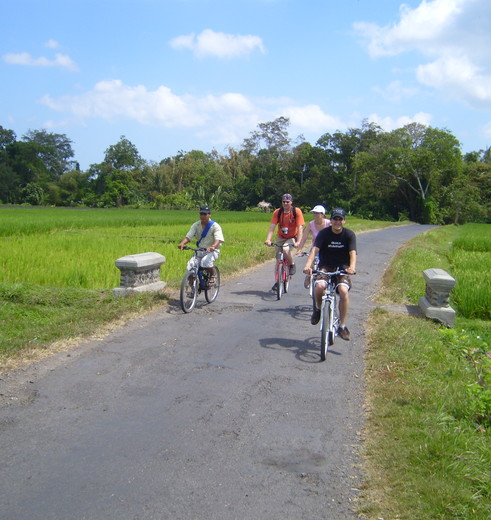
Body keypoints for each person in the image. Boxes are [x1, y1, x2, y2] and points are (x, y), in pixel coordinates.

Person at [303, 207, 356, 341]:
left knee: (343, 291)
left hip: (342, 268)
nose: (337, 222)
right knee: (319, 286)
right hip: (325, 266)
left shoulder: (349, 235)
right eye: (335, 219)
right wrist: (308, 265)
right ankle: (318, 309)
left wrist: (352, 267)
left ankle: (342, 326)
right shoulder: (324, 234)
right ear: (330, 220)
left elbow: (352, 253)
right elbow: (315, 250)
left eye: (340, 219)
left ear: (344, 221)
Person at [264, 193, 305, 290]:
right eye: (284, 202)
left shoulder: (296, 211)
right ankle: (277, 281)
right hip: (280, 236)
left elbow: (300, 227)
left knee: (286, 250)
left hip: (292, 236)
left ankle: (292, 264)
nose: (285, 203)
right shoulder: (278, 212)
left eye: (287, 202)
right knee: (278, 259)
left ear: (291, 202)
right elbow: (272, 227)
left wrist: (298, 242)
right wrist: (268, 239)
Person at [178, 206, 224, 276]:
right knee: (190, 266)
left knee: (205, 262)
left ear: (209, 215)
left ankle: (212, 275)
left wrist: (213, 247)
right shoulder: (196, 225)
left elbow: (218, 239)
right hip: (200, 250)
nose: (202, 216)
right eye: (201, 214)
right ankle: (192, 282)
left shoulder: (215, 226)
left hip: (212, 251)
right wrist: (182, 243)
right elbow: (189, 236)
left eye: (205, 214)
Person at [296, 205, 331, 289]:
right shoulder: (311, 224)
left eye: (317, 213)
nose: (315, 215)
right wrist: (299, 249)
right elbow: (304, 237)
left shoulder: (329, 223)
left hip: (328, 248)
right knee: (311, 262)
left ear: (323, 214)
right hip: (316, 247)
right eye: (314, 213)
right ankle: (308, 276)